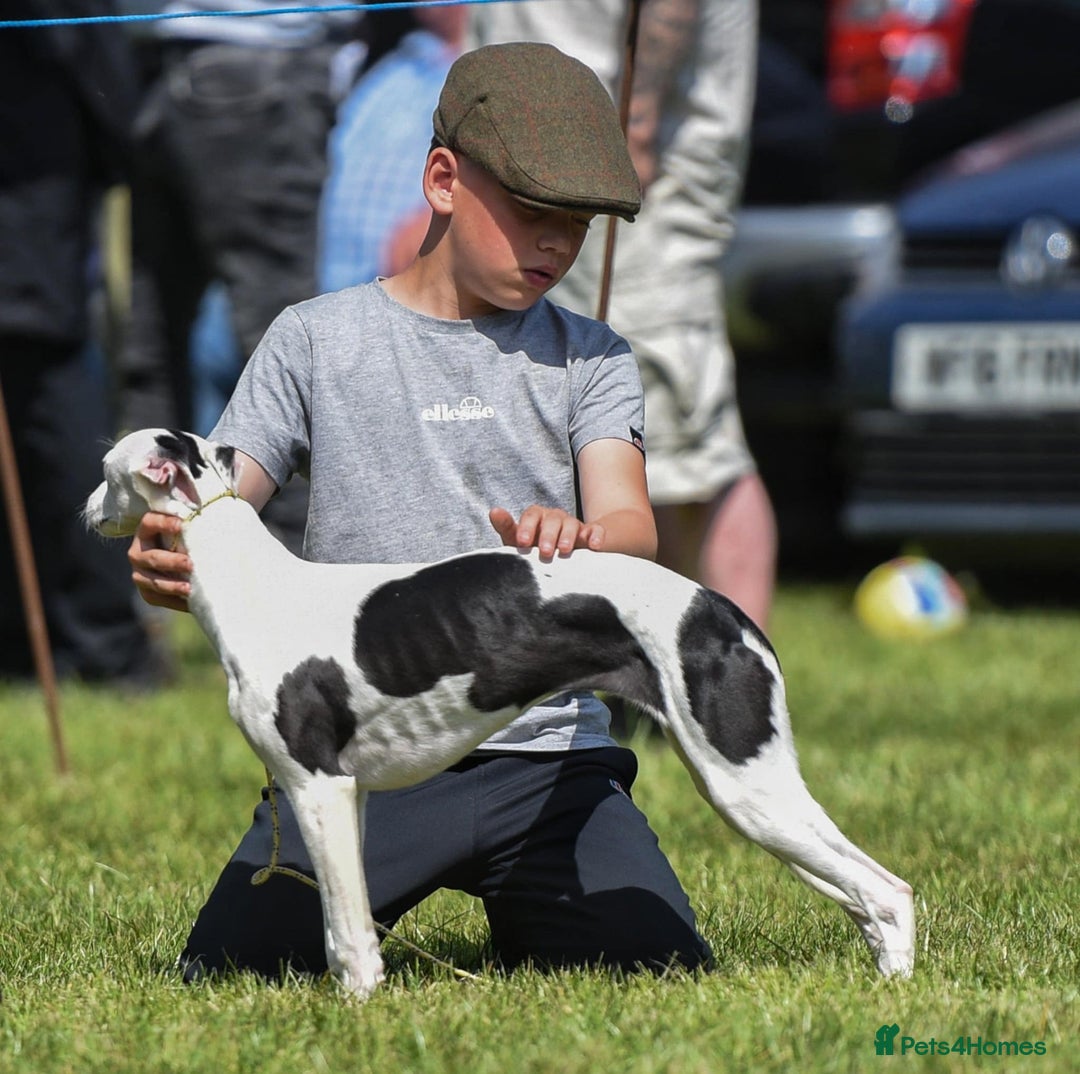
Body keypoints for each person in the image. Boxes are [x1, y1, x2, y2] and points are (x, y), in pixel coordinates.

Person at [129, 43, 713, 980]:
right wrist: (173, 544)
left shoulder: (595, 355)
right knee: (233, 975)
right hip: (360, 760)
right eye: (533, 212)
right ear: (443, 180)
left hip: (548, 759)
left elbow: (632, 526)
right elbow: (219, 500)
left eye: (580, 223)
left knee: (655, 970)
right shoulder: (313, 338)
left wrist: (589, 539)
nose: (558, 245)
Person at [471, 0, 777, 630]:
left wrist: (634, 129)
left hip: (636, 163)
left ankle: (735, 700)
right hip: (560, 158)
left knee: (688, 450)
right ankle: (632, 672)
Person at [114, 0, 359, 550]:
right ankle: (181, 565)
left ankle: (285, 568)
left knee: (264, 347)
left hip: (210, 52)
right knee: (269, 342)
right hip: (229, 54)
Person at [0, 0, 161, 687]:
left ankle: (100, 646)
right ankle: (76, 644)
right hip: (31, 166)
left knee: (50, 400)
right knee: (47, 405)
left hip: (29, 179)